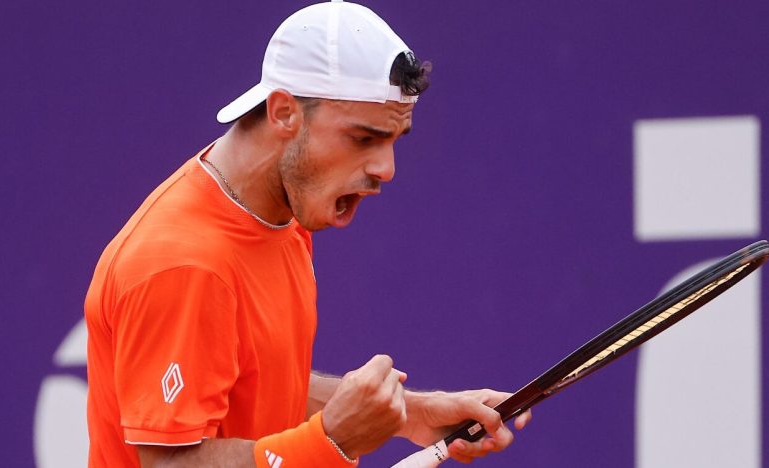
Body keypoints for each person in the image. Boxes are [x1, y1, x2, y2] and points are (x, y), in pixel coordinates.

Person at [84, 1, 531, 466]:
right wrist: (331, 440)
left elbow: (258, 385)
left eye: (393, 140)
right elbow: (168, 464)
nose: (387, 169)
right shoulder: (185, 265)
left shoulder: (280, 212)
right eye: (363, 139)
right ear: (283, 113)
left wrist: (408, 414)